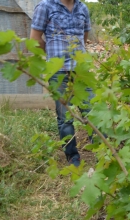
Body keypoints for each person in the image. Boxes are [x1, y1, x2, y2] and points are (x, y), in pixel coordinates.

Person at [30, 0, 93, 167]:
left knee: (93, 111)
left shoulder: (83, 8)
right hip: (58, 72)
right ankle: (73, 157)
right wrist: (53, 54)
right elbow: (35, 39)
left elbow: (83, 38)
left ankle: (105, 153)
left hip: (81, 71)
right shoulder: (45, 7)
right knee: (65, 117)